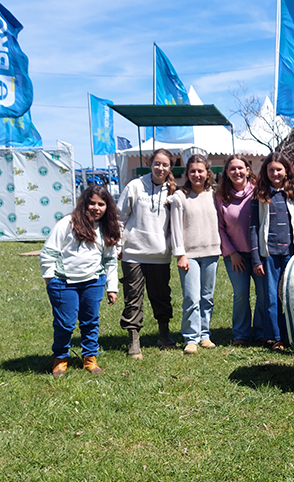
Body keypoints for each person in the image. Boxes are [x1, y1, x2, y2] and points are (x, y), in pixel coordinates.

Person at [40, 185, 120, 376]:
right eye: (92, 203)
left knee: (90, 321)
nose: (96, 208)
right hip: (63, 283)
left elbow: (110, 260)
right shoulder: (67, 223)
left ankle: (90, 359)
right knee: (65, 324)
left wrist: (112, 287)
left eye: (101, 204)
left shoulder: (106, 228)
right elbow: (48, 253)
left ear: (107, 207)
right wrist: (49, 280)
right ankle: (60, 359)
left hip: (93, 282)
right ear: (84, 203)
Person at [116, 148, 177, 359]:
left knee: (161, 296)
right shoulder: (135, 186)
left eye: (165, 164)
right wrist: (117, 245)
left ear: (171, 167)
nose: (161, 168)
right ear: (151, 164)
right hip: (133, 253)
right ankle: (134, 340)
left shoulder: (173, 191)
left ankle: (164, 335)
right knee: (133, 297)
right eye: (157, 163)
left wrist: (171, 246)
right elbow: (120, 217)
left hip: (160, 254)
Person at [250, 151, 294, 350]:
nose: (275, 174)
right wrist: (257, 259)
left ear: (286, 171)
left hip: (293, 255)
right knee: (271, 297)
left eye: (278, 170)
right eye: (270, 170)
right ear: (265, 172)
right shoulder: (260, 194)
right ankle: (275, 337)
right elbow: (253, 227)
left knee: (293, 296)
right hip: (270, 255)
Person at [169, 154, 222, 354]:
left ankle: (204, 334)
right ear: (187, 173)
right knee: (191, 297)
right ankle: (191, 337)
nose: (196, 175)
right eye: (192, 171)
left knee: (207, 297)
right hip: (189, 254)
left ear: (207, 172)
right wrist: (180, 254)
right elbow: (175, 228)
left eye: (200, 171)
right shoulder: (180, 197)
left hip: (211, 252)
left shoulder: (214, 194)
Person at [217, 154, 260, 346]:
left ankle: (261, 332)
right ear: (227, 172)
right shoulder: (220, 196)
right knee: (241, 293)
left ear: (248, 170)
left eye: (240, 168)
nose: (237, 172)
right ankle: (241, 334)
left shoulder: (259, 191)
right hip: (235, 254)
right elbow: (219, 227)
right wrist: (232, 253)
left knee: (263, 294)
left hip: (259, 253)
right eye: (232, 169)